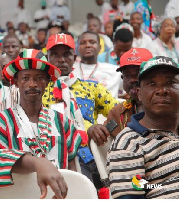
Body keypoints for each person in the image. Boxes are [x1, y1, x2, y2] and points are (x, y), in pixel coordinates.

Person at [0, 49, 86, 171]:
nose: (32, 84)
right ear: (16, 82)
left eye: (39, 78)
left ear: (47, 82)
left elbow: (72, 168)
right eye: (25, 78)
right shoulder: (1, 122)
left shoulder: (62, 122)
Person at [42, 33, 117, 186]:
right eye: (55, 54)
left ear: (75, 57)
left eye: (66, 54)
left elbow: (120, 112)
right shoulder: (38, 89)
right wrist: (89, 127)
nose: (61, 60)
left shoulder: (91, 87)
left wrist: (103, 129)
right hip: (48, 158)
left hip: (87, 156)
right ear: (47, 58)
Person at [107, 56, 179, 199]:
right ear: (139, 94)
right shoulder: (128, 144)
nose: (162, 90)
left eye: (171, 82)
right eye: (152, 84)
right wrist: (161, 185)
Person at [88, 48, 153, 146]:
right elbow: (104, 135)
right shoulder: (118, 112)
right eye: (127, 76)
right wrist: (93, 130)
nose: (132, 80)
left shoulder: (168, 105)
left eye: (138, 74)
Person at [75, 31, 121, 98]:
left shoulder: (115, 71)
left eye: (92, 42)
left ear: (99, 47)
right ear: (78, 48)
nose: (87, 45)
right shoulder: (70, 71)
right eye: (83, 43)